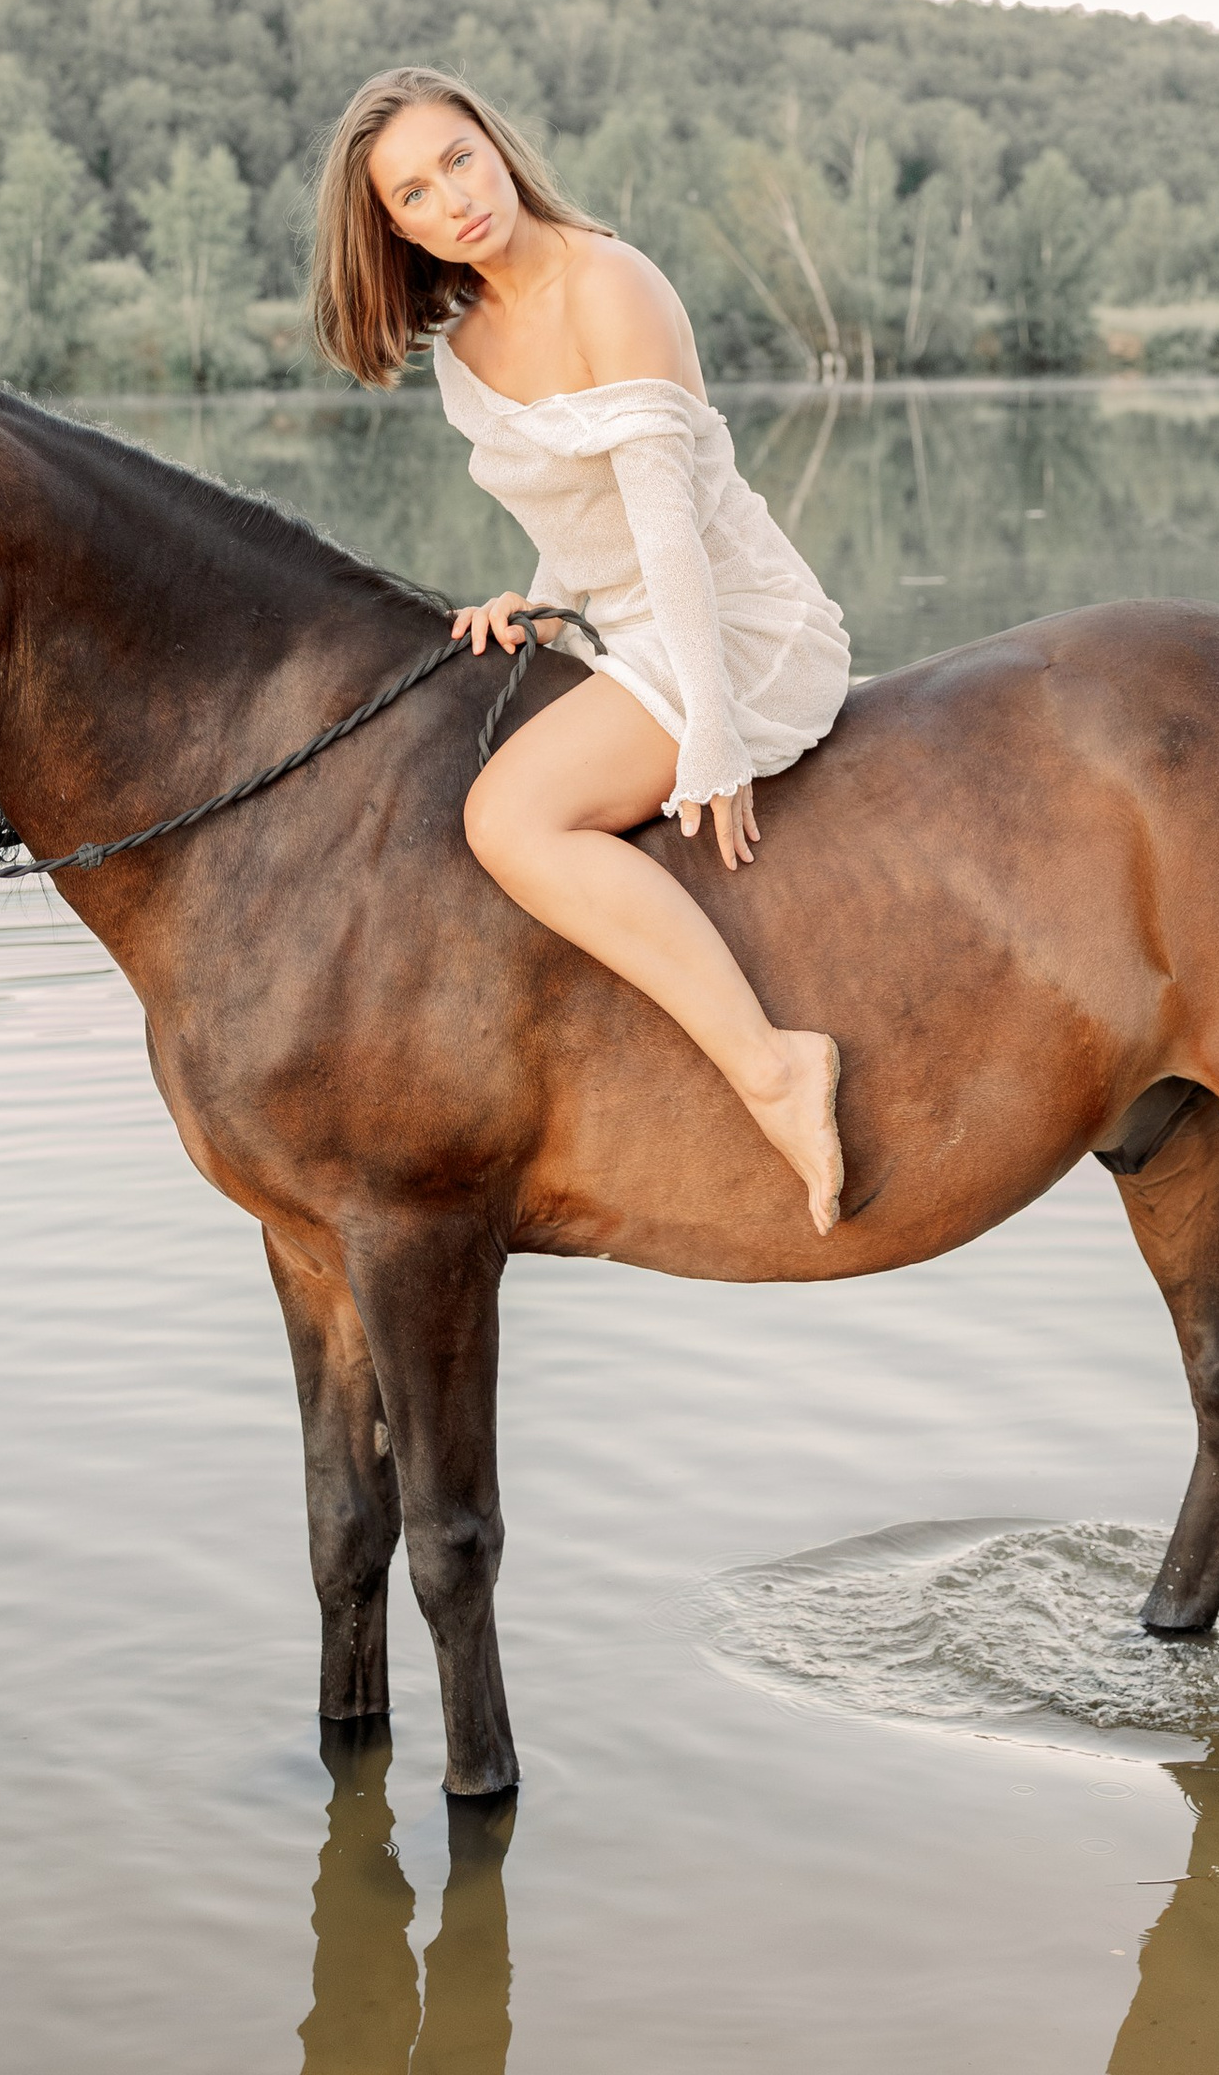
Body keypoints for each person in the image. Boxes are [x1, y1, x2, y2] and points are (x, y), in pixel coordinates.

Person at [310, 65, 852, 1233]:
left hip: (730, 623)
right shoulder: (462, 348)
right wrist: (543, 605)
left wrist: (708, 727)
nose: (451, 200)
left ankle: (771, 1067)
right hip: (628, 623)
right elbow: (589, 525)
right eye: (411, 194)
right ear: (389, 227)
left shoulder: (610, 281)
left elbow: (669, 528)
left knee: (508, 818)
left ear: (495, 147)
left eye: (457, 159)